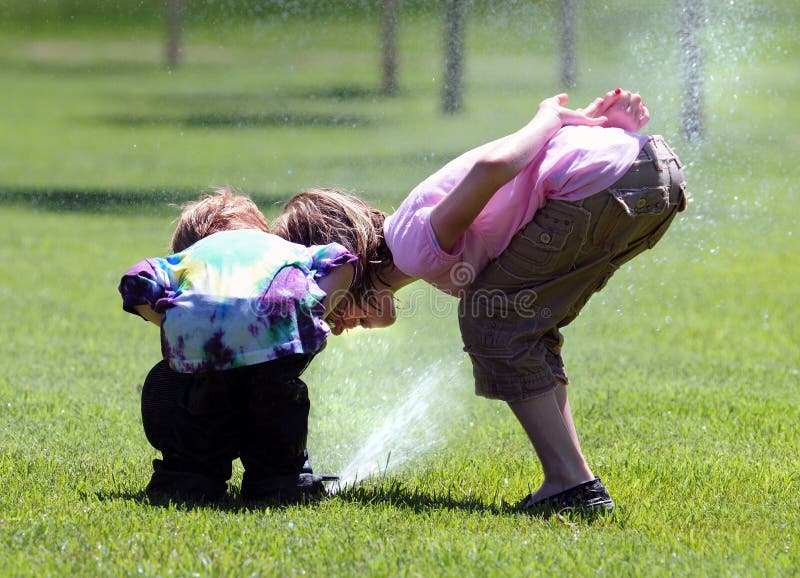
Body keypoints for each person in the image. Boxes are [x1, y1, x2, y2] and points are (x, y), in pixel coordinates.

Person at [272, 89, 687, 514]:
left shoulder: (413, 244)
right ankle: (573, 482)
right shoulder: (416, 241)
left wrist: (548, 117)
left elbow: (493, 167)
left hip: (610, 185)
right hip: (652, 175)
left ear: (342, 259)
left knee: (488, 316)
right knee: (521, 322)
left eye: (325, 302)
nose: (334, 325)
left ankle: (571, 483)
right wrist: (614, 131)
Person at [119, 187, 357, 503]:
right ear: (259, 230)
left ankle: (188, 481)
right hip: (277, 325)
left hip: (207, 341)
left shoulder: (189, 258)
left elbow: (136, 280)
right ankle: (281, 483)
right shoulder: (283, 249)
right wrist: (314, 315)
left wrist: (174, 323)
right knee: (276, 400)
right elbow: (343, 259)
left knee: (202, 404)